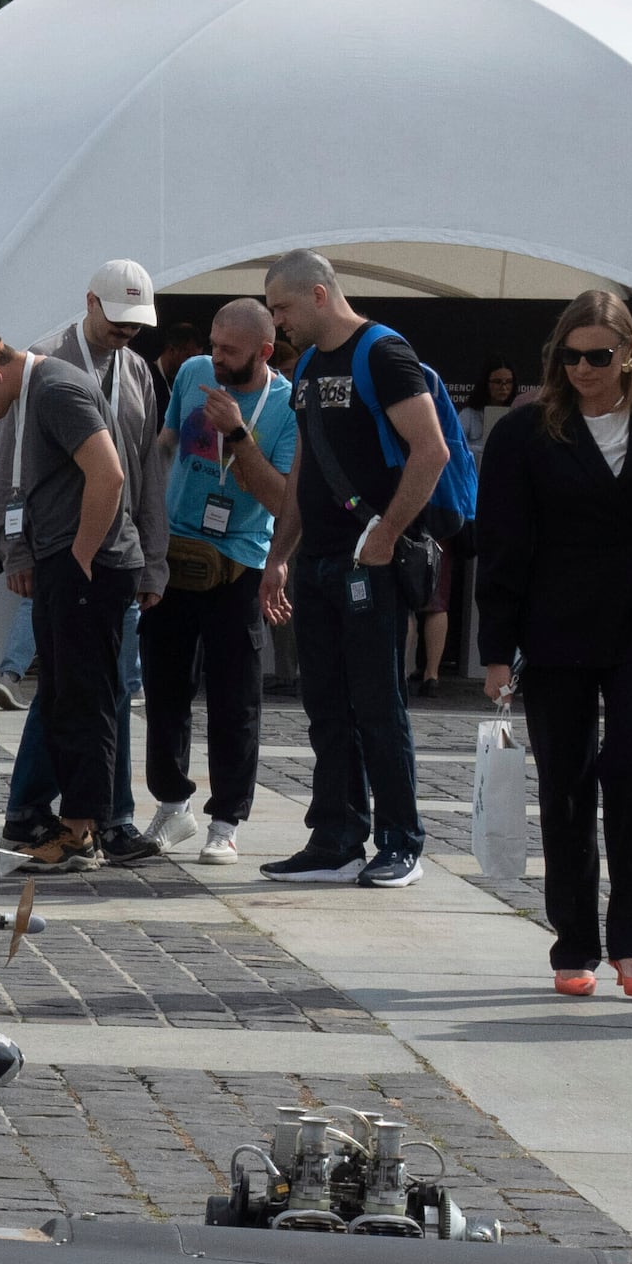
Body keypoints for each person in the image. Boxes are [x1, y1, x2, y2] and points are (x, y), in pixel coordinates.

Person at [472, 290, 632, 1003]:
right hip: (555, 629)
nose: (582, 368)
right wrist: (497, 649)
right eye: (570, 355)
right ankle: (574, 941)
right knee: (567, 784)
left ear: (629, 356)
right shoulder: (525, 432)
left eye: (598, 356)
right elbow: (503, 545)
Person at [254, 249, 448, 890]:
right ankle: (336, 836)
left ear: (317, 294)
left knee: (377, 705)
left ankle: (400, 841)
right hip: (318, 561)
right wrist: (279, 556)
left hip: (369, 560)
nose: (276, 322)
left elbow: (432, 449)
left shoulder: (382, 352)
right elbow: (305, 468)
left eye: (281, 308)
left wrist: (386, 535)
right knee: (325, 705)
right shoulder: (308, 364)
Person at [0, 325, 143, 869]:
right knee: (61, 698)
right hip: (67, 559)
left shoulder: (54, 388)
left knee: (84, 700)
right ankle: (74, 826)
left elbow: (110, 474)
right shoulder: (34, 390)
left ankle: (82, 833)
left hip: (89, 565)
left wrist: (79, 557)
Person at [0, 265, 162, 844]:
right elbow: (9, 466)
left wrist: (153, 555)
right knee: (69, 689)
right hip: (64, 551)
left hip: (117, 553)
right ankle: (44, 807)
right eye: (117, 321)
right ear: (89, 303)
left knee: (108, 688)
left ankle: (107, 816)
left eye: (136, 326)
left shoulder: (136, 370)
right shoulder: (44, 363)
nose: (125, 334)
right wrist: (15, 549)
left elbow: (146, 472)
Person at [138, 298, 291, 862]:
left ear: (264, 352)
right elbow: (168, 443)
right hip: (175, 552)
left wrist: (239, 434)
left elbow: (281, 498)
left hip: (240, 564)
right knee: (164, 687)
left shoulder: (285, 406)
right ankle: (171, 805)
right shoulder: (195, 373)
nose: (215, 358)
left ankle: (226, 820)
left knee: (235, 699)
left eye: (229, 350)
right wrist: (142, 508)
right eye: (213, 343)